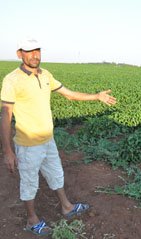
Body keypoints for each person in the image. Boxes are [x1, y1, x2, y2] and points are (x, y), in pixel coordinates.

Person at [0, 37, 117, 236]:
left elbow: (69, 94)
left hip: (48, 140)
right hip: (28, 145)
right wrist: (8, 151)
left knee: (57, 174)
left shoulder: (46, 75)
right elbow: (6, 115)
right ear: (20, 54)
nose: (35, 55)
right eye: (29, 51)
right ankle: (31, 220)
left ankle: (67, 207)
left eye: (37, 51)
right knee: (29, 183)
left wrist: (96, 96)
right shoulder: (12, 80)